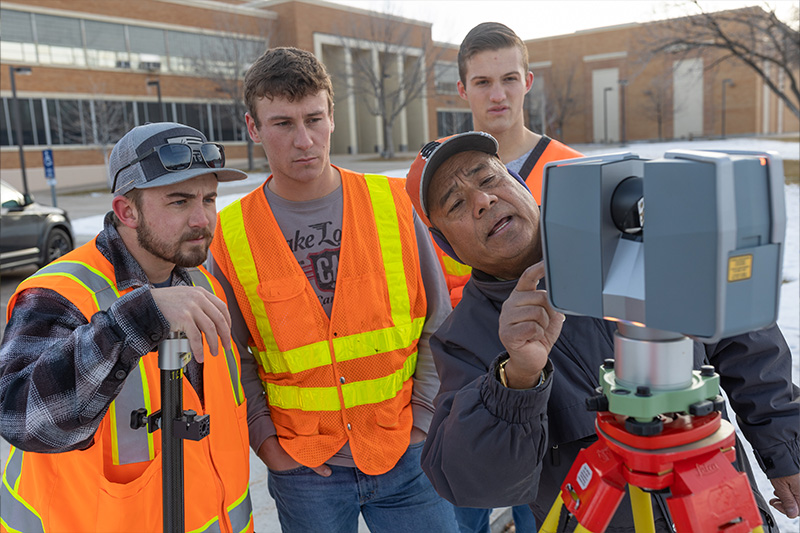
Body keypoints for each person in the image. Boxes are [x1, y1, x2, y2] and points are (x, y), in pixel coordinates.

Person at [404, 131, 800, 532]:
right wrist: (516, 379)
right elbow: (474, 482)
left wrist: (786, 449)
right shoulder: (463, 339)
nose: (482, 201)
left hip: (719, 507)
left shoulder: (638, 239)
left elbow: (745, 342)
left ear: (520, 184)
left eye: (488, 180)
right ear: (445, 242)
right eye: (455, 203)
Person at [207, 47, 458, 533]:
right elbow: (234, 357)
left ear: (332, 117)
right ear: (253, 127)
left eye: (314, 119)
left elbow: (437, 321)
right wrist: (267, 445)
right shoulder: (230, 235)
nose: (304, 140)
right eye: (282, 124)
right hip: (304, 467)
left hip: (406, 455)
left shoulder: (392, 205)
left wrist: (424, 421)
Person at [0, 122, 254, 532]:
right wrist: (136, 320)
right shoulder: (59, 293)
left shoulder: (203, 285)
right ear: (126, 211)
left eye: (209, 199)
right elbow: (20, 418)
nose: (202, 218)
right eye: (179, 201)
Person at [439, 21, 582, 314]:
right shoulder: (435, 179)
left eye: (509, 79)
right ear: (462, 89)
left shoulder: (575, 169)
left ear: (527, 82)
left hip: (561, 340)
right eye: (482, 82)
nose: (498, 95)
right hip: (468, 346)